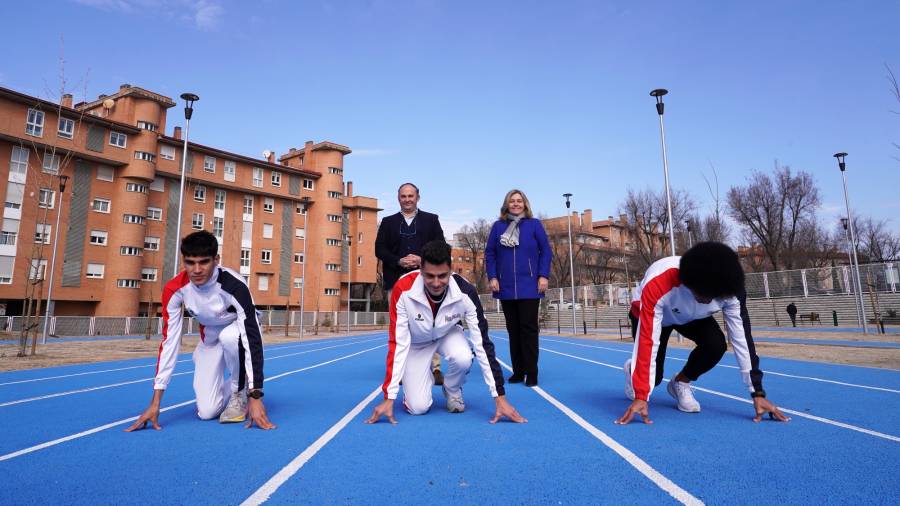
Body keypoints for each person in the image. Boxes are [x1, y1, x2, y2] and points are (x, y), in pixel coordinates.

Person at [616, 242, 790, 425]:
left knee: (716, 345)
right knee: (655, 378)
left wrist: (757, 392)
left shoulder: (730, 290)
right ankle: (631, 369)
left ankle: (680, 382)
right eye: (702, 296)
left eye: (712, 298)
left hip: (691, 317)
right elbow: (648, 340)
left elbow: (741, 338)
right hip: (652, 313)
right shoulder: (660, 281)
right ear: (687, 282)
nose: (708, 301)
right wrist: (642, 395)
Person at [126, 231, 275, 432]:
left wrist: (255, 395)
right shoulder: (175, 289)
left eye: (203, 262)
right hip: (210, 338)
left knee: (230, 337)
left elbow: (252, 337)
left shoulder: (234, 285)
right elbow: (169, 342)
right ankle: (238, 382)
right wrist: (155, 403)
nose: (196, 270)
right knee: (207, 412)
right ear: (184, 261)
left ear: (216, 260)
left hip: (238, 331)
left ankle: (240, 393)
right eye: (190, 263)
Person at [365, 240, 526, 424]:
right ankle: (419, 382)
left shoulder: (466, 292)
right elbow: (397, 343)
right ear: (420, 270)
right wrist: (389, 396)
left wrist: (499, 397)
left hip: (448, 334)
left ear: (451, 270)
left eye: (442, 276)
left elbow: (482, 343)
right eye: (429, 276)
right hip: (416, 343)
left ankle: (452, 388)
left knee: (464, 357)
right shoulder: (403, 289)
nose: (436, 283)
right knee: (418, 408)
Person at [375, 182, 446, 385]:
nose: (407, 199)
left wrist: (422, 259)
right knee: (400, 326)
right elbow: (379, 249)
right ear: (399, 199)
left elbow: (441, 245)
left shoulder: (431, 220)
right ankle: (400, 369)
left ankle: (435, 367)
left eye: (410, 196)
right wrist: (398, 260)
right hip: (395, 280)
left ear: (418, 198)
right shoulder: (388, 222)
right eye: (403, 196)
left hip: (427, 279)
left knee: (429, 323)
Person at [484, 189, 552, 387]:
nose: (515, 204)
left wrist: (543, 275)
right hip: (505, 285)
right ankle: (518, 370)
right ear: (506, 204)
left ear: (525, 204)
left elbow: (546, 251)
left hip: (530, 285)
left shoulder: (534, 225)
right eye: (512, 201)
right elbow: (490, 254)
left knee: (529, 330)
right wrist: (493, 276)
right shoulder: (498, 227)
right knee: (513, 330)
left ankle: (531, 372)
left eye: (519, 201)